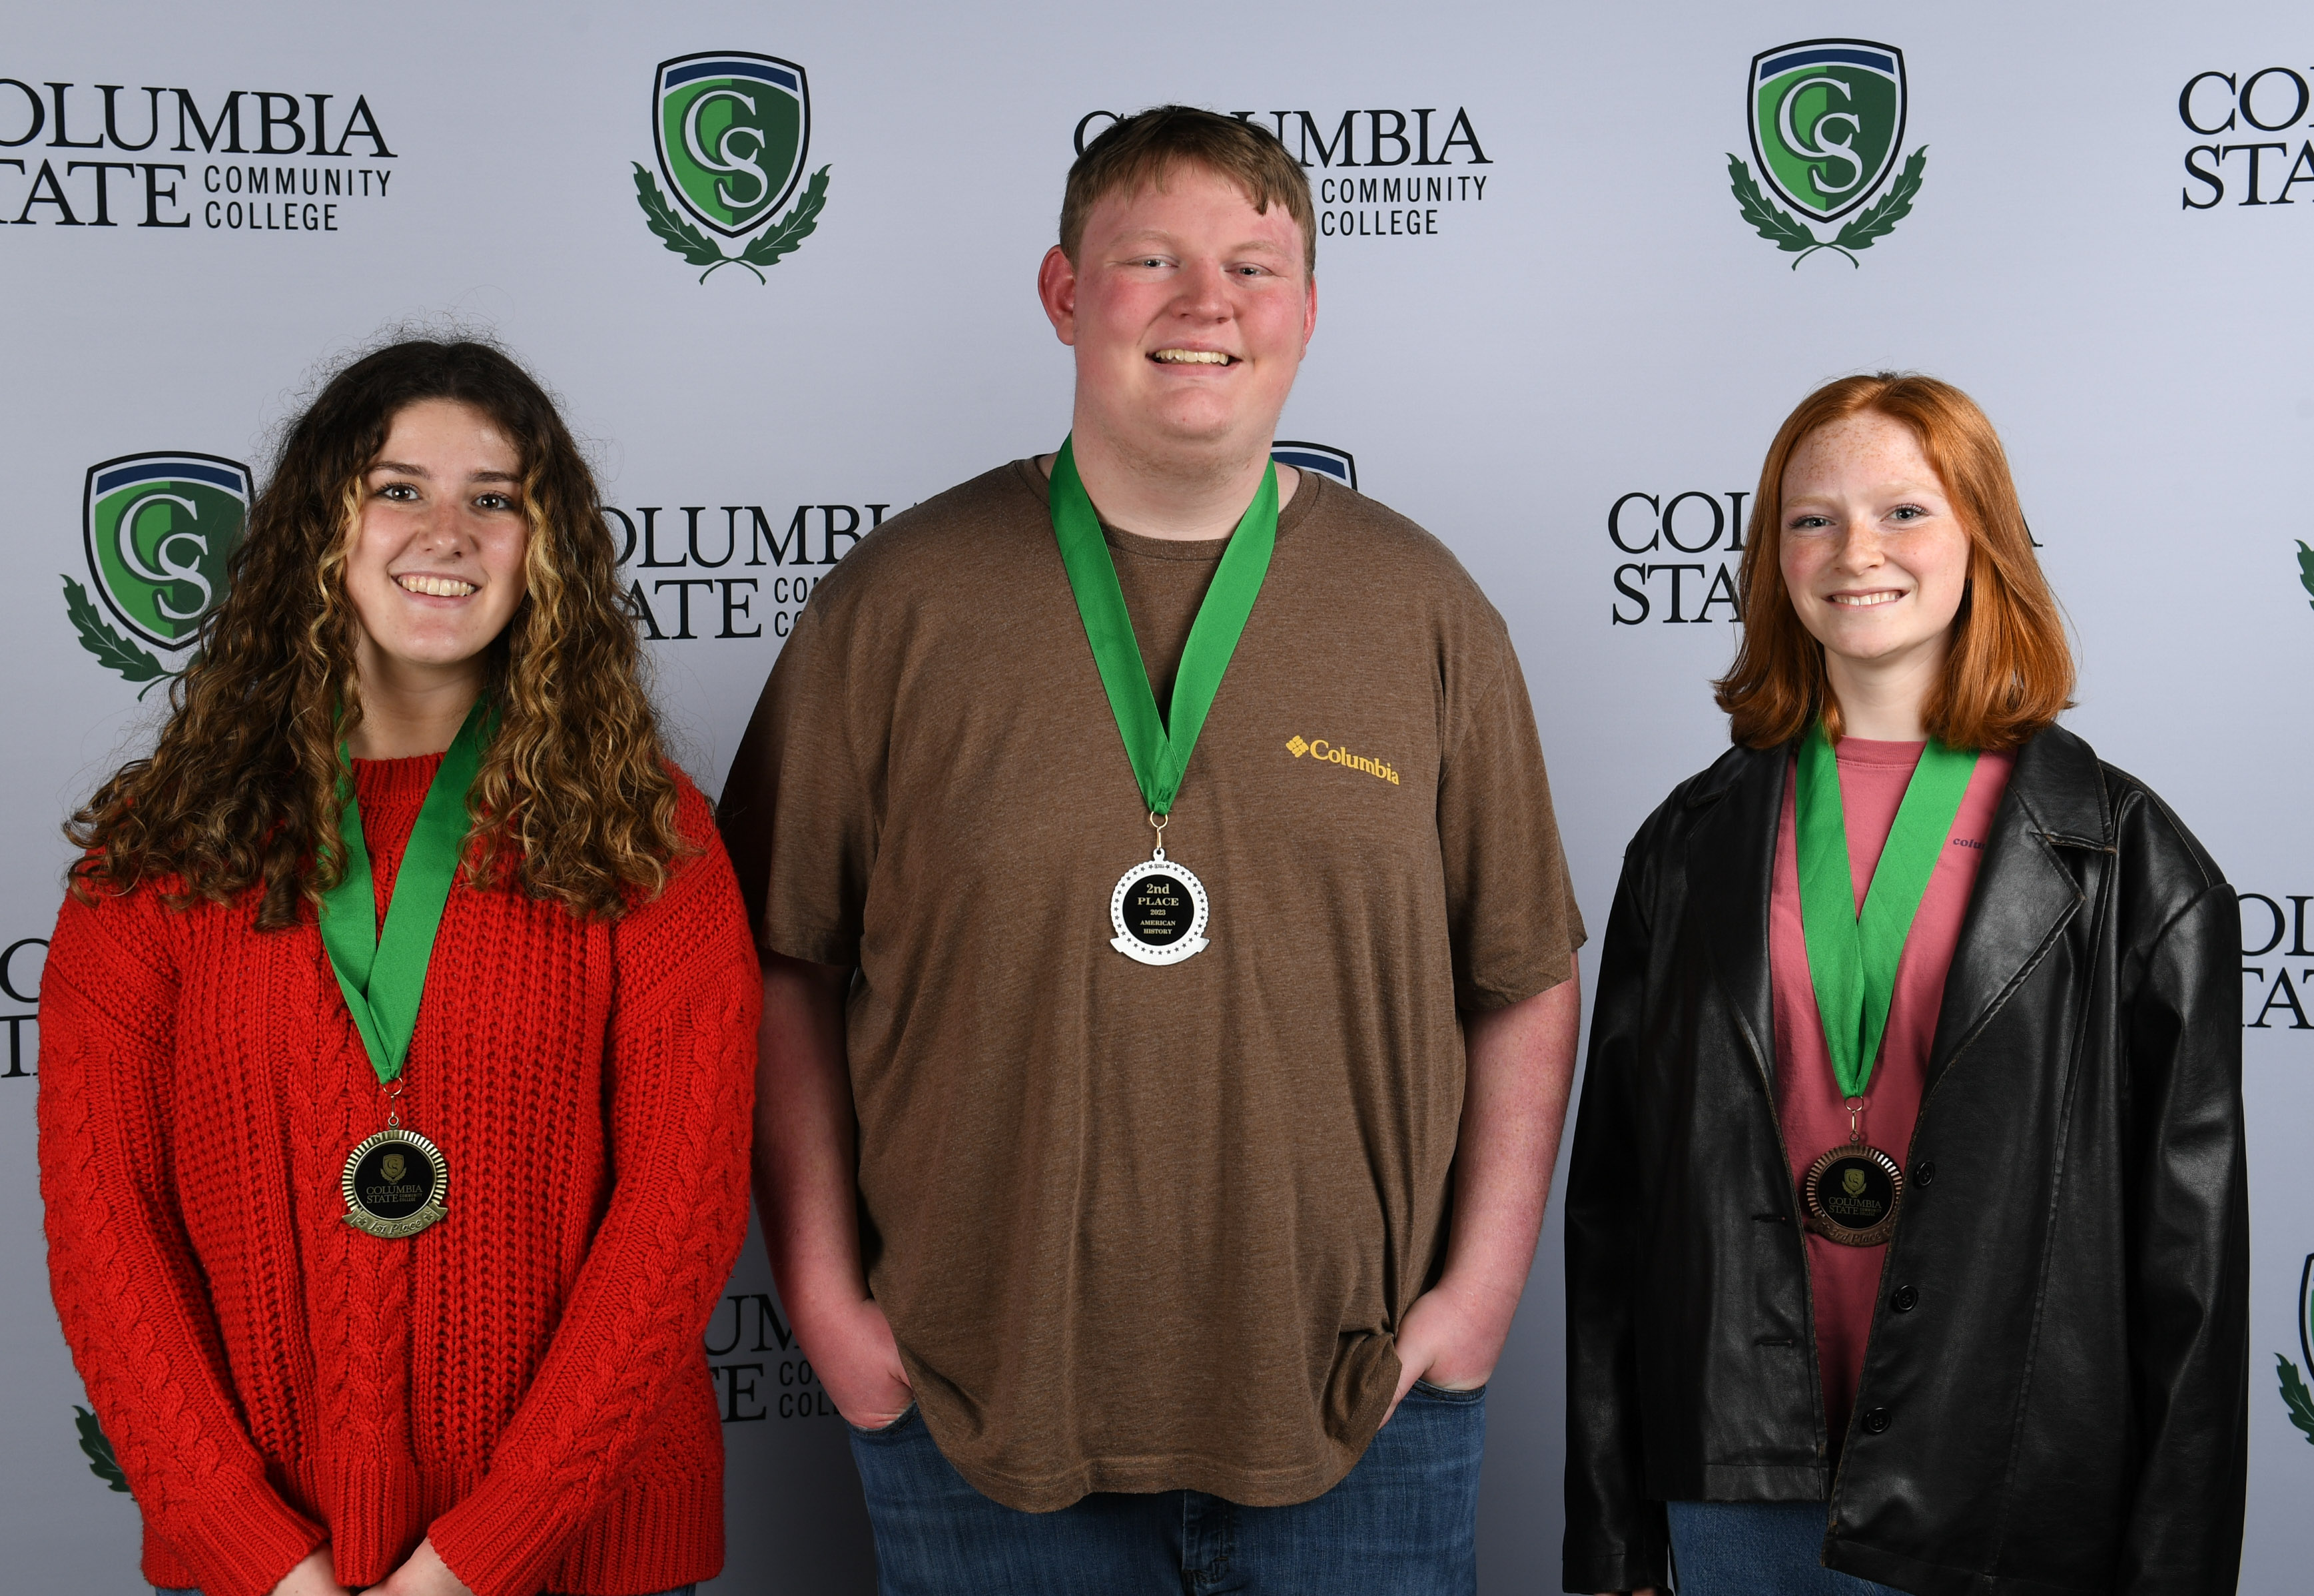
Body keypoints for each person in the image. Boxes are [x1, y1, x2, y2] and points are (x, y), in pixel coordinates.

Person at [717, 105, 1584, 1593]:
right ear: (1065, 292)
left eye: (1254, 267)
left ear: (1308, 311)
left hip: (1359, 1411)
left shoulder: (1423, 610)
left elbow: (1520, 972)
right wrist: (822, 1298)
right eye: (1151, 261)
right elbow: (779, 961)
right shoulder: (897, 606)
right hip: (976, 1414)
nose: (1207, 307)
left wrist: (1483, 1291)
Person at [38, 340, 758, 1596]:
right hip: (270, 1566)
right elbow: (110, 1238)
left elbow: (677, 1215)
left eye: (495, 497)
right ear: (319, 527)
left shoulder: (648, 833)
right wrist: (260, 1557)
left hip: (578, 1557)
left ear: (548, 549)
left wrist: (478, 1561)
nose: (449, 532)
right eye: (396, 487)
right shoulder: (161, 846)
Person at [1562, 374, 2246, 1596]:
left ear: (1981, 536)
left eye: (1903, 513)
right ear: (1773, 557)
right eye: (1809, 519)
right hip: (1736, 1475)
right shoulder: (1683, 846)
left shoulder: (2126, 855)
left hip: (2011, 1488)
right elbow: (1614, 1215)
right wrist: (1611, 1543)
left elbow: (2187, 1270)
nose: (1854, 553)